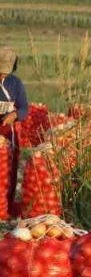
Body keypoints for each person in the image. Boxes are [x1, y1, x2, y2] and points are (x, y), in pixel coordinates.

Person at [0, 47, 29, 215]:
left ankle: (6, 210)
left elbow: (24, 108)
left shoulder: (15, 84)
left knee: (8, 173)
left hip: (8, 133)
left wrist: (15, 114)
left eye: (4, 72)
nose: (2, 75)